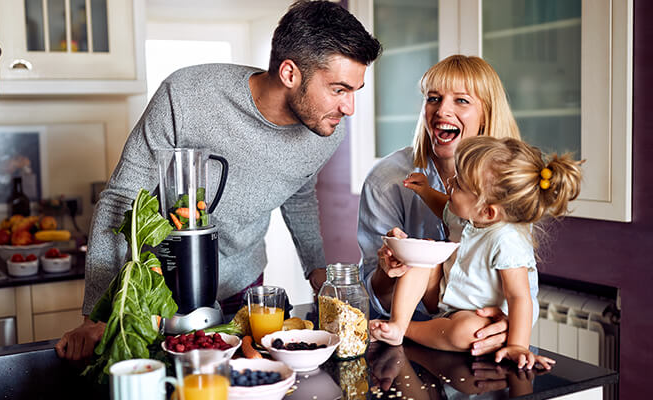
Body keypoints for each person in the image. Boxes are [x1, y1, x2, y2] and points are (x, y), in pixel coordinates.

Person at [55, 0, 382, 361]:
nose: (350, 108)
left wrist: (317, 270)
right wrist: (96, 316)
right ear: (290, 74)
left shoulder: (327, 130)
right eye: (339, 89)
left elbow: (298, 191)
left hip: (244, 287)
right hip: (160, 290)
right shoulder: (186, 96)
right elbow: (121, 199)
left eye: (355, 91)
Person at [370, 136, 583, 369]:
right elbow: (444, 206)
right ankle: (397, 324)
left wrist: (518, 345)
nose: (450, 183)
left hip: (474, 315)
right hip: (443, 296)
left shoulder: (507, 240)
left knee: (468, 332)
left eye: (459, 185)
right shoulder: (470, 215)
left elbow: (519, 296)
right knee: (422, 252)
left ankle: (405, 331)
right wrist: (424, 191)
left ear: (488, 212)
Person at [356, 54, 520, 355]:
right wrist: (386, 269)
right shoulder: (386, 180)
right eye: (433, 98)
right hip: (403, 344)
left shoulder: (508, 182)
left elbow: (520, 276)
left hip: (478, 336)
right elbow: (370, 295)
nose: (441, 110)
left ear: (487, 113)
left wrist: (510, 327)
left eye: (461, 101)